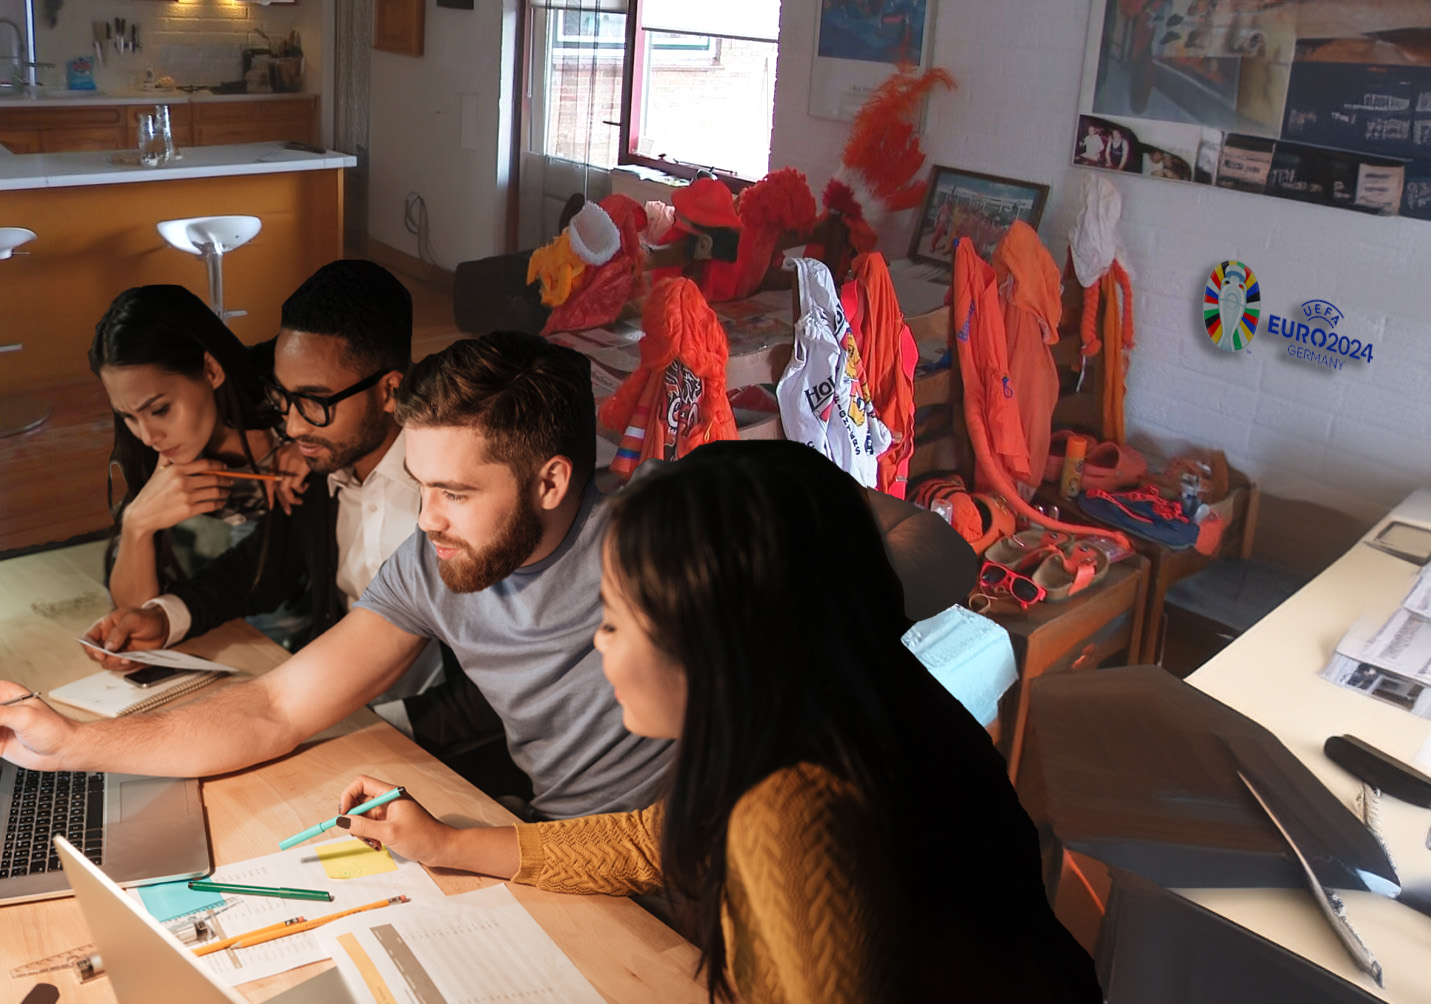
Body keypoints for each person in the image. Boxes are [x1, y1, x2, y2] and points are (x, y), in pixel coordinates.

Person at [0, 333, 975, 822]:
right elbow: (275, 708)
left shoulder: (663, 529)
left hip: (702, 863)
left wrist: (791, 598)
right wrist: (75, 742)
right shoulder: (438, 561)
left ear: (553, 479)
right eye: (419, 485)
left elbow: (939, 550)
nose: (425, 521)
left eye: (457, 492)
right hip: (554, 846)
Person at [329, 440, 1102, 1004]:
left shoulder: (794, 813)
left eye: (614, 619)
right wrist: (447, 844)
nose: (598, 644)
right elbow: (658, 838)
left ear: (714, 643)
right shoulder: (852, 699)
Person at [82, 261, 475, 740]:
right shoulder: (323, 463)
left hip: (423, 741)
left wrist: (367, 729)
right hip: (338, 708)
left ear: (390, 390)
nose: (290, 427)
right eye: (284, 398)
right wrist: (163, 618)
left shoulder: (451, 491)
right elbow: (266, 568)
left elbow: (495, 685)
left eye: (314, 401)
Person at [89, 285, 304, 611]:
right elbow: (133, 615)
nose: (147, 436)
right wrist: (137, 526)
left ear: (211, 370)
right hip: (214, 639)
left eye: (160, 409)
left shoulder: (298, 413)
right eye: (129, 417)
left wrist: (314, 444)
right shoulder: (157, 463)